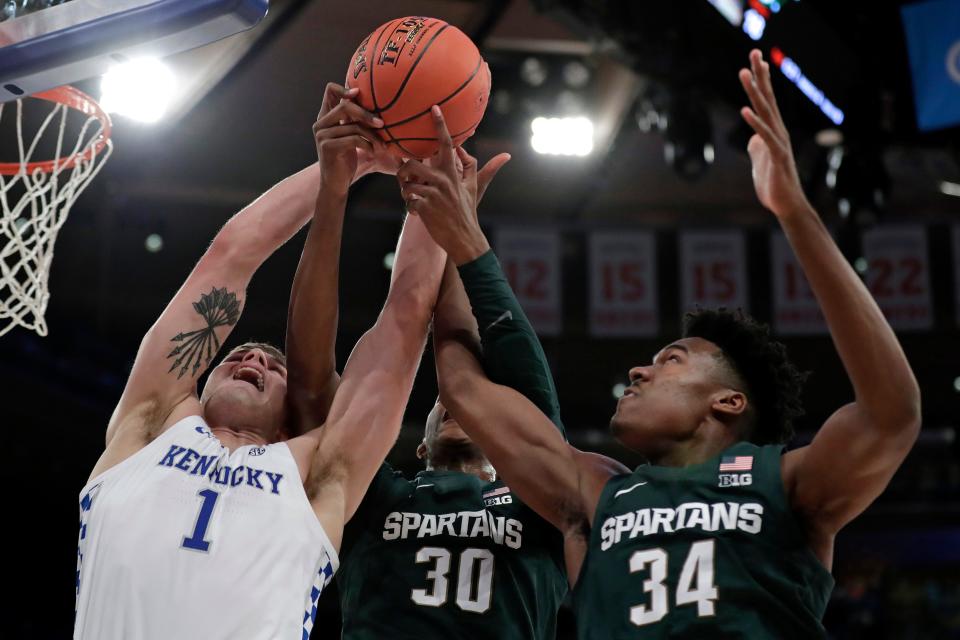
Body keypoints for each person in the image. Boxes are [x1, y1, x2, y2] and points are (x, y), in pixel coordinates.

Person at [419, 51, 921, 638]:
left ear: (728, 402)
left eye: (671, 360)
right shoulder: (596, 491)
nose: (638, 369)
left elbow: (892, 414)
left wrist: (795, 211)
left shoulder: (784, 485)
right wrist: (461, 247)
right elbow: (462, 388)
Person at [74, 82, 445, 640]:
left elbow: (406, 318)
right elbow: (231, 254)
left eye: (277, 367)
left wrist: (433, 190)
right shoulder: (147, 428)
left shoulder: (318, 474)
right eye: (241, 353)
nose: (253, 356)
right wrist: (337, 170)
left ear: (292, 414)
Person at [317, 118, 568, 638]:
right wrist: (458, 229)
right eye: (439, 407)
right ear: (421, 450)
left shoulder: (542, 497)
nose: (450, 406)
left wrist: (463, 232)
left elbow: (525, 391)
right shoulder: (378, 494)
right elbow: (320, 387)